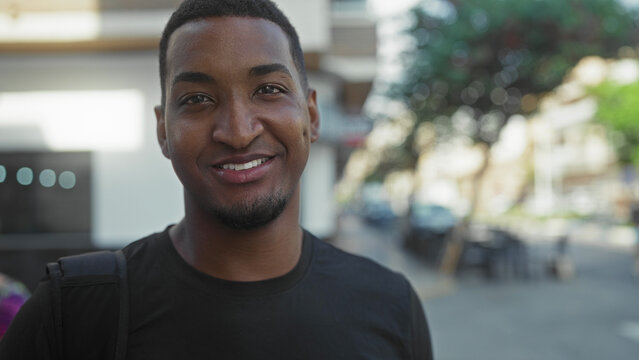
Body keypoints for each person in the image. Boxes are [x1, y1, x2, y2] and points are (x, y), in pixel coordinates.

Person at [0, 0, 433, 358]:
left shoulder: (390, 306)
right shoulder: (74, 309)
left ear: (312, 116)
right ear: (163, 131)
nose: (239, 131)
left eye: (268, 89)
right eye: (198, 99)